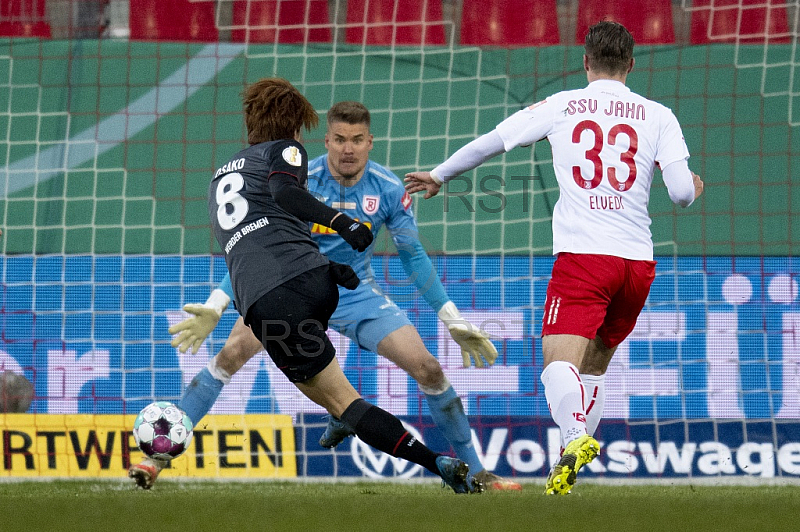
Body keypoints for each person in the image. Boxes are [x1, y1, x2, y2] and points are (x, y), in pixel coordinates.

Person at [130, 100, 520, 491]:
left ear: (370, 142)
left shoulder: (387, 188)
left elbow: (413, 255)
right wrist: (217, 304)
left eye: (356, 140)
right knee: (230, 354)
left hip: (353, 293)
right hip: (290, 285)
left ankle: (479, 472)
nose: (347, 149)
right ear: (327, 141)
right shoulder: (296, 176)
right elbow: (261, 249)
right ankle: (157, 457)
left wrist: (452, 319)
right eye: (338, 139)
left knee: (429, 369)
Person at [405, 21, 704, 495]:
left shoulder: (565, 104)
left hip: (585, 257)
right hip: (638, 265)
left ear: (586, 62)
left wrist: (440, 174)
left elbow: (494, 140)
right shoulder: (658, 115)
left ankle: (574, 438)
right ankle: (573, 460)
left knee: (554, 364)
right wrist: (694, 189)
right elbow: (682, 192)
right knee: (593, 367)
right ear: (630, 64)